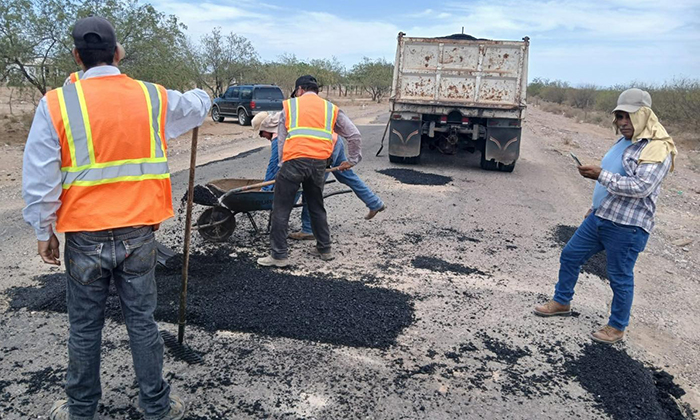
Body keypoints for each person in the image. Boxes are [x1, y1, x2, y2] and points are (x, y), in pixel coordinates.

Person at [22, 16, 211, 420]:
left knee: (85, 328)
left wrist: (44, 230)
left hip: (84, 236)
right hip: (139, 234)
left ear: (76, 56)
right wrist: (201, 93)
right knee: (141, 322)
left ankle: (81, 410)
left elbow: (40, 174)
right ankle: (156, 405)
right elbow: (195, 107)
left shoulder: (56, 102)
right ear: (118, 52)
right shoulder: (151, 96)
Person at [533, 88, 677, 344]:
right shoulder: (625, 141)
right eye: (619, 117)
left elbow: (641, 187)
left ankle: (617, 327)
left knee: (619, 276)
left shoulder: (657, 148)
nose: (623, 123)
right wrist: (595, 205)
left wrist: (600, 175)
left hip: (628, 227)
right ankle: (561, 301)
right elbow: (614, 175)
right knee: (570, 255)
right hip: (602, 216)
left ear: (644, 115)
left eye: (628, 117)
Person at [257, 75, 363, 267]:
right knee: (316, 205)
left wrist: (283, 165)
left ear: (300, 90)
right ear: (316, 90)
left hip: (294, 162)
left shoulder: (290, 106)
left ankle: (279, 255)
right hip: (319, 165)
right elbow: (354, 135)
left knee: (281, 208)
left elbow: (281, 139)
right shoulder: (330, 108)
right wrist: (352, 160)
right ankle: (325, 249)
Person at [251, 111, 386, 240]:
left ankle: (309, 230)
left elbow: (274, 164)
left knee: (311, 189)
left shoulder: (278, 135)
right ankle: (374, 203)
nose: (262, 137)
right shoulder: (288, 120)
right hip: (333, 141)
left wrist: (266, 190)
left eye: (261, 133)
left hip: (323, 150)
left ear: (266, 128)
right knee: (346, 175)